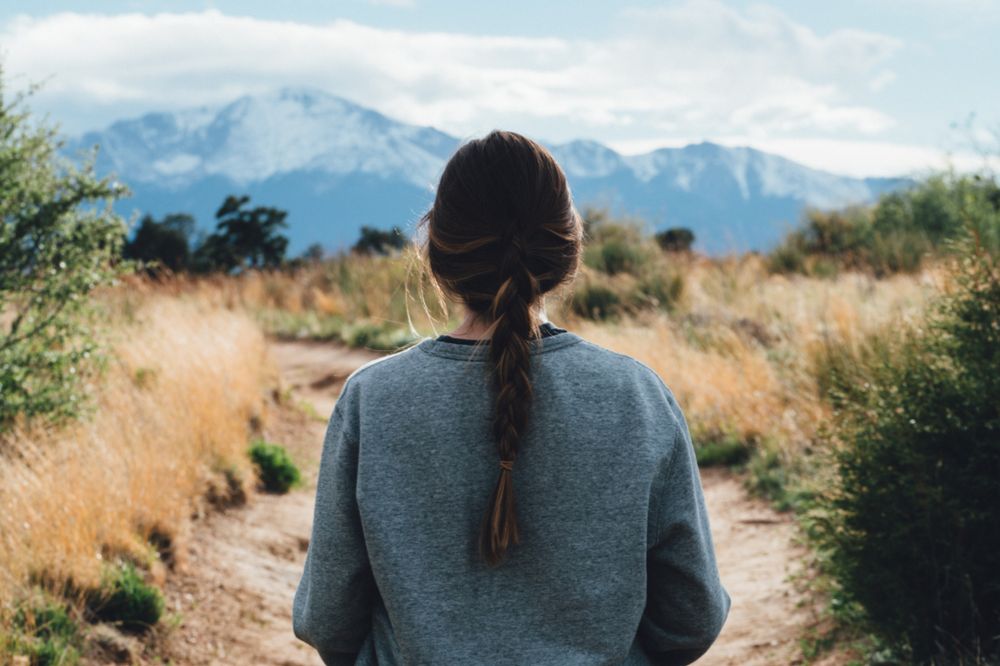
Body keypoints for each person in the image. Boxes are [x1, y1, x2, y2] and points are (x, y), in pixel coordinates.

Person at [292, 130, 731, 665]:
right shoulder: (636, 397)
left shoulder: (372, 401)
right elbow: (692, 617)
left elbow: (327, 621)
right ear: (567, 250)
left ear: (436, 252)